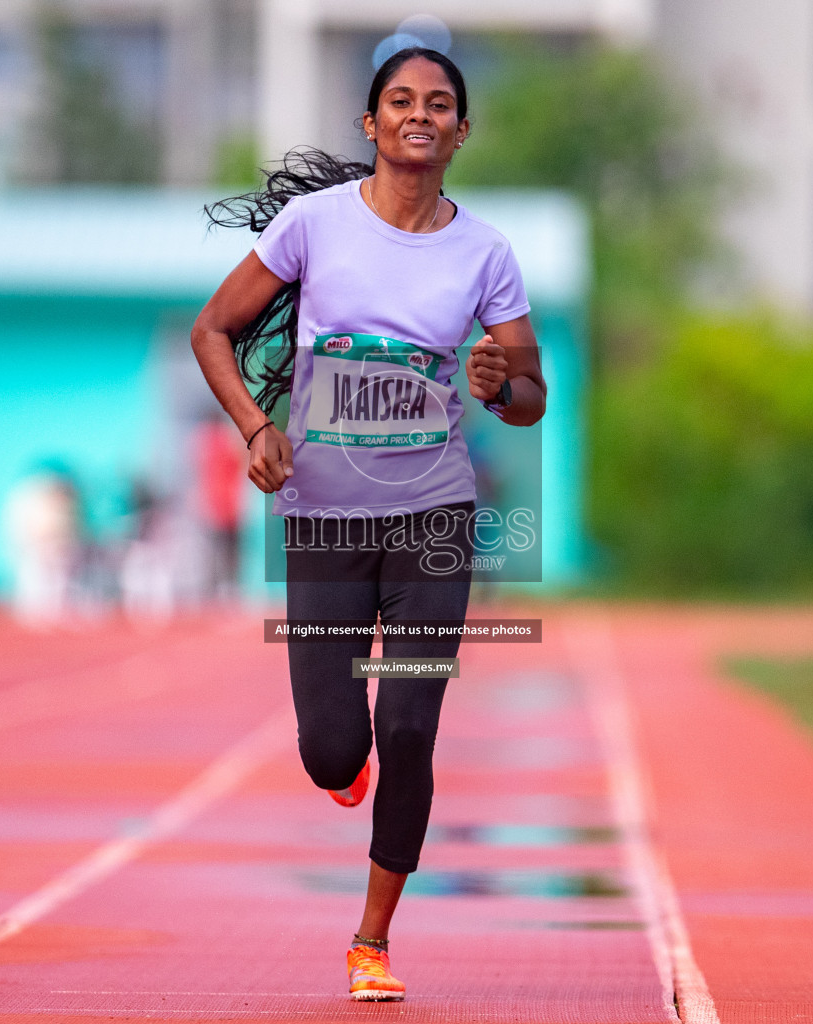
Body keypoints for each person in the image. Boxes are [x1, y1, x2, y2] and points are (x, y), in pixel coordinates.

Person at [191, 46, 546, 1001]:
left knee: (413, 726)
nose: (419, 115)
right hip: (327, 522)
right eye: (400, 100)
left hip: (435, 517)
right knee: (334, 750)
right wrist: (255, 426)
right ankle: (348, 771)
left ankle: (371, 940)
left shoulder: (487, 254)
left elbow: (529, 391)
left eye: (439, 103)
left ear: (461, 131)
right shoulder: (313, 227)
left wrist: (500, 383)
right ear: (372, 124)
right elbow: (212, 329)